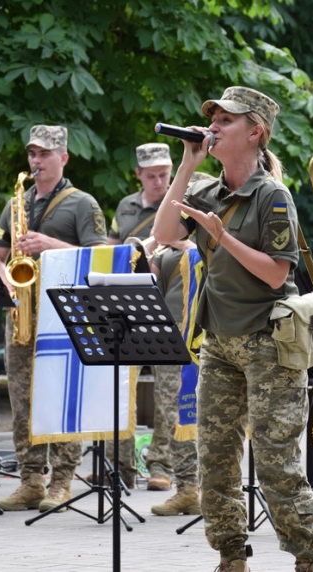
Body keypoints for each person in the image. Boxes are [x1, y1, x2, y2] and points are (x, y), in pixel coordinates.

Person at [154, 86, 313, 572]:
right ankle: (232, 556)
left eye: (226, 121)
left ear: (255, 132)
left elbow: (277, 273)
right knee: (215, 461)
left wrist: (222, 237)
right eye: (212, 118)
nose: (214, 126)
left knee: (276, 462)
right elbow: (165, 236)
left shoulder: (272, 195)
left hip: (268, 344)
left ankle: (308, 559)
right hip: (219, 343)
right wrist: (188, 163)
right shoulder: (208, 190)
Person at [0, 125, 108, 513]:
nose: (36, 161)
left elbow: (99, 259)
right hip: (22, 310)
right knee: (21, 399)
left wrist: (49, 244)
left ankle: (62, 480)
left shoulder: (83, 203)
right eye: (32, 154)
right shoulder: (16, 204)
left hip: (64, 313)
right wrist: (5, 277)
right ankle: (30, 480)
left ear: (64, 157)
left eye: (44, 154)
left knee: (61, 394)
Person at [107, 142, 174, 490]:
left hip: (167, 306)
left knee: (167, 393)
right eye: (152, 176)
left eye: (164, 174)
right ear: (139, 175)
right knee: (122, 388)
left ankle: (161, 465)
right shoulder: (125, 206)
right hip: (129, 306)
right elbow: (114, 247)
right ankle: (120, 465)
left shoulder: (179, 201)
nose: (160, 181)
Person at [148, 237, 202, 516]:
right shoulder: (166, 246)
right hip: (167, 327)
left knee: (196, 411)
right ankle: (187, 488)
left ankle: (200, 487)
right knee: (171, 410)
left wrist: (188, 247)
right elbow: (150, 281)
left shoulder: (210, 231)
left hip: (200, 325)